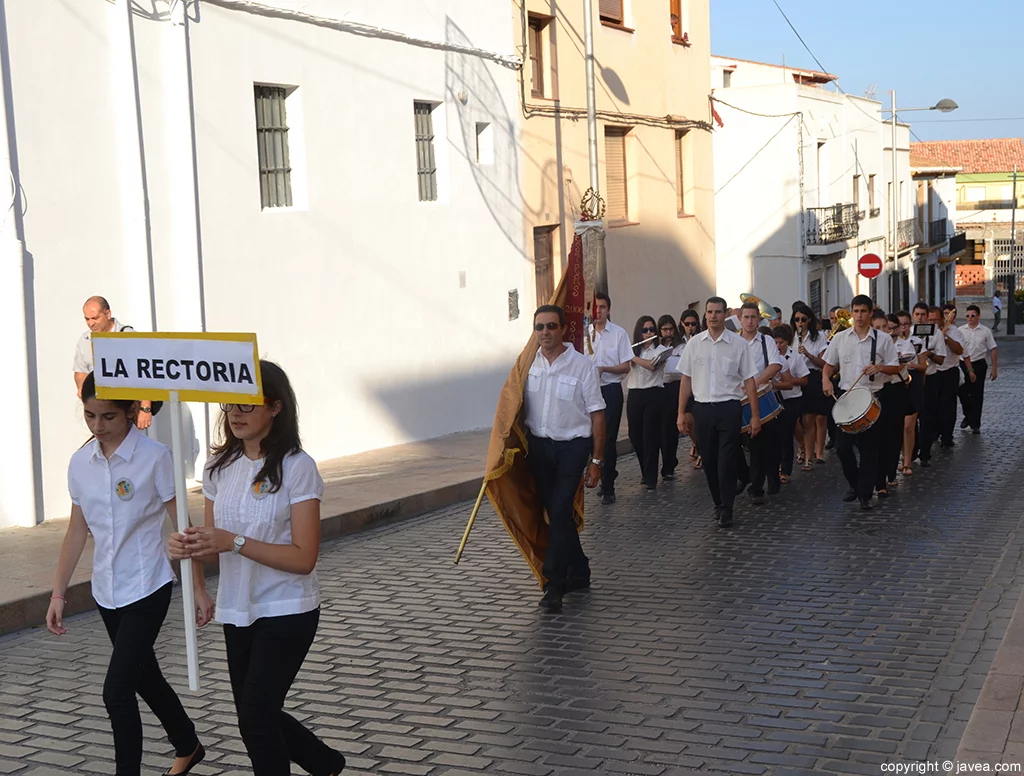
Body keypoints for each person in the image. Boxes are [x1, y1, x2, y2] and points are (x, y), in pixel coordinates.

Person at [168, 362, 347, 775]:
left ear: (276, 408)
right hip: (238, 609)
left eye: (249, 404)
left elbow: (304, 558)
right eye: (230, 404)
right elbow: (213, 550)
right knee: (258, 713)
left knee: (255, 718)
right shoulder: (218, 469)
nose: (236, 413)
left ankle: (322, 763)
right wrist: (189, 551)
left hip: (288, 608)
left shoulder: (298, 467)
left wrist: (234, 541)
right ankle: (324, 762)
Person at [47, 373, 204, 776]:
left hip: (148, 586)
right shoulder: (80, 463)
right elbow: (77, 530)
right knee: (143, 676)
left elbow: (183, 526)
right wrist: (58, 593)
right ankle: (187, 744)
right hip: (106, 592)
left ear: (132, 412)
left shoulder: (154, 457)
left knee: (116, 692)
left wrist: (199, 586)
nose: (97, 427)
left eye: (108, 417)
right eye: (89, 416)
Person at [497, 306, 603, 611]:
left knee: (558, 511)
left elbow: (597, 414)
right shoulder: (526, 365)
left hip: (573, 447)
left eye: (551, 326)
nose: (545, 332)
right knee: (557, 514)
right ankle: (580, 569)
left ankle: (553, 585)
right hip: (539, 449)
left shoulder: (582, 366)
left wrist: (596, 461)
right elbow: (511, 406)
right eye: (539, 327)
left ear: (562, 329)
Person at [676, 297, 760, 528]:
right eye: (710, 312)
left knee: (726, 461)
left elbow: (750, 381)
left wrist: (754, 415)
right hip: (702, 409)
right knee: (710, 462)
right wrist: (681, 413)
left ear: (725, 315)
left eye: (718, 312)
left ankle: (727, 508)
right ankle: (718, 501)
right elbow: (686, 379)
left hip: (728, 408)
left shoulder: (738, 344)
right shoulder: (694, 344)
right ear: (705, 315)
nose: (713, 316)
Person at [822, 295, 900, 510]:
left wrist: (880, 368)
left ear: (870, 313)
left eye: (863, 311)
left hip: (873, 397)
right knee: (842, 448)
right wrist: (826, 380)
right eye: (856, 311)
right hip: (847, 396)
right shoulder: (840, 338)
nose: (859, 316)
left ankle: (864, 494)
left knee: (869, 450)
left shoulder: (882, 340)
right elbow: (828, 365)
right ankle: (855, 484)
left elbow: (895, 368)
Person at [73, 296, 154, 430]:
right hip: (98, 411)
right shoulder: (85, 339)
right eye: (87, 319)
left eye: (95, 318)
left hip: (126, 410)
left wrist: (145, 408)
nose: (91, 323)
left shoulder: (128, 336)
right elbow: (80, 370)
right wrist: (83, 389)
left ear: (108, 314)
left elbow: (145, 372)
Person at [736, 301, 786, 504]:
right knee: (747, 445)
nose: (749, 321)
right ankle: (753, 483)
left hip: (763, 394)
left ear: (759, 319)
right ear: (740, 319)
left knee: (769, 445)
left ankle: (767, 479)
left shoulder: (766, 341)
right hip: (738, 399)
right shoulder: (732, 342)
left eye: (753, 317)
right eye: (745, 317)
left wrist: (754, 382)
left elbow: (776, 364)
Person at [587, 292, 633, 504]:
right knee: (589, 438)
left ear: (609, 310)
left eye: (603, 307)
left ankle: (608, 488)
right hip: (588, 393)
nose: (598, 311)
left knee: (608, 438)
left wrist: (605, 368)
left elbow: (626, 365)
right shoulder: (584, 333)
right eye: (595, 307)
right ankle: (600, 473)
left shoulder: (619, 334)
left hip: (610, 390)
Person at [627, 315, 670, 490]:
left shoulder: (661, 349)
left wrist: (632, 357)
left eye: (652, 329)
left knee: (650, 436)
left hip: (654, 394)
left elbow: (652, 366)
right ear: (639, 332)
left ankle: (651, 477)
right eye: (645, 330)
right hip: (635, 394)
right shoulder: (632, 350)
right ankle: (646, 471)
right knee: (635, 436)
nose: (649, 333)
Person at [772, 324, 810, 485]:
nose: (778, 346)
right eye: (776, 342)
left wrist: (786, 380)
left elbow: (804, 380)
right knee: (777, 435)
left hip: (792, 399)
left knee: (786, 434)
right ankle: (776, 465)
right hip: (775, 399)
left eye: (781, 343)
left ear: (787, 342)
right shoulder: (770, 357)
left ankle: (785, 470)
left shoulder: (795, 357)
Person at [792, 304, 829, 468]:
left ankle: (809, 458)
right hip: (795, 378)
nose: (800, 323)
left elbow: (824, 363)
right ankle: (802, 446)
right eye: (797, 320)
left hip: (812, 376)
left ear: (809, 320)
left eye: (803, 319)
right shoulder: (791, 336)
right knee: (794, 421)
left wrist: (808, 354)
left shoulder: (818, 336)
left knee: (809, 420)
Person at [931, 304, 971, 448]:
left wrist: (944, 337)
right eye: (931, 320)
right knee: (932, 405)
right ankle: (934, 432)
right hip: (932, 372)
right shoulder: (925, 330)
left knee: (947, 407)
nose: (933, 323)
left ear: (942, 319)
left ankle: (947, 436)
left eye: (936, 320)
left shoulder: (954, 331)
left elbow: (960, 350)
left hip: (948, 372)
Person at [914, 302, 947, 468]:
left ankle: (925, 453)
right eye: (917, 314)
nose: (920, 318)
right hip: (912, 379)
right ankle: (912, 450)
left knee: (927, 418)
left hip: (930, 378)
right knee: (911, 417)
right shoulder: (909, 332)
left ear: (927, 316)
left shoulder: (936, 334)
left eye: (923, 315)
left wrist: (930, 354)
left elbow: (941, 360)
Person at [958, 304, 999, 433]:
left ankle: (975, 423)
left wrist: (994, 369)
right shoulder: (960, 330)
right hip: (963, 364)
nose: (970, 318)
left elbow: (993, 349)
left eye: (973, 315)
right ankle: (968, 415)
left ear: (978, 316)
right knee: (963, 393)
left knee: (977, 395)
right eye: (967, 316)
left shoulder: (986, 331)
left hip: (978, 363)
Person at [896, 310, 926, 478]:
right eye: (900, 325)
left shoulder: (917, 342)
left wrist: (912, 365)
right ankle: (901, 456)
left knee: (909, 425)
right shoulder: (890, 342)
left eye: (906, 324)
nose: (903, 328)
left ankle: (907, 461)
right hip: (897, 382)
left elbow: (924, 366)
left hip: (912, 381)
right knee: (899, 424)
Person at [657, 315, 684, 481]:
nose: (668, 333)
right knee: (659, 428)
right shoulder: (655, 346)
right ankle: (667, 459)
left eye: (670, 329)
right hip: (658, 387)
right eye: (664, 329)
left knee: (669, 429)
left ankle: (668, 464)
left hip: (674, 386)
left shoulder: (681, 346)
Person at [679, 310, 703, 468]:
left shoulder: (701, 340)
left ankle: (702, 450)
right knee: (688, 420)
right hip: (686, 385)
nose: (690, 327)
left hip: (701, 386)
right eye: (687, 324)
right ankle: (697, 444)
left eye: (693, 324)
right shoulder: (678, 342)